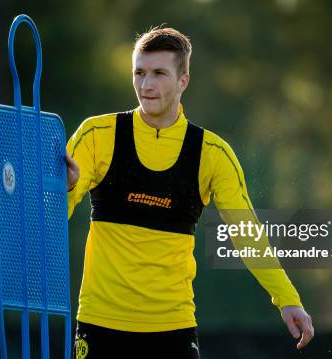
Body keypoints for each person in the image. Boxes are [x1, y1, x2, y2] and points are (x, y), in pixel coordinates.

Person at [64, 26, 314, 359]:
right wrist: (61, 189)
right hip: (100, 325)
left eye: (158, 74)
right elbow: (53, 214)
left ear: (183, 81)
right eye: (139, 72)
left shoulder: (212, 153)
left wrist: (288, 299)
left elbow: (247, 234)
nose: (146, 85)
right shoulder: (96, 134)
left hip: (172, 330)